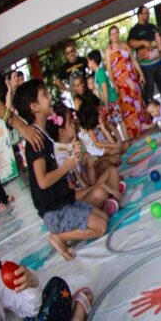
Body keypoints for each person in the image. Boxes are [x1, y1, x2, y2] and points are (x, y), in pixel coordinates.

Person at [12, 80, 109, 260]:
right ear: (34, 107)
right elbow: (42, 181)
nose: (50, 97)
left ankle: (66, 232)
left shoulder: (43, 136)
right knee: (100, 228)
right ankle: (58, 236)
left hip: (64, 201)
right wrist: (67, 166)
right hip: (55, 210)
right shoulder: (36, 142)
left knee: (103, 218)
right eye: (45, 95)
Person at [46, 105, 120, 217]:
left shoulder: (72, 147)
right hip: (74, 203)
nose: (75, 124)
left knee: (112, 171)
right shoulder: (60, 157)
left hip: (86, 192)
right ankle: (106, 203)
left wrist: (88, 162)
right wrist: (101, 187)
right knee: (100, 192)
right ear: (62, 132)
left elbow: (89, 181)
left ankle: (107, 203)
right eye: (71, 123)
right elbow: (71, 195)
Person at [105, 25, 149, 138]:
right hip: (121, 84)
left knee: (139, 104)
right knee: (128, 109)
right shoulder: (108, 50)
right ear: (110, 36)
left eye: (116, 33)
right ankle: (134, 134)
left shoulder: (124, 45)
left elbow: (133, 60)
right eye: (113, 34)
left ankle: (145, 129)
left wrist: (141, 73)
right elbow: (109, 70)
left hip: (133, 80)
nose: (115, 35)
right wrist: (114, 84)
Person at [128, 6, 161, 106]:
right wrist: (143, 42)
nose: (147, 15)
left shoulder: (152, 26)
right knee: (149, 92)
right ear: (139, 15)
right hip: (146, 67)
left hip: (158, 63)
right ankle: (153, 118)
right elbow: (130, 43)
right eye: (145, 13)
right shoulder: (134, 30)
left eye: (148, 13)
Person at [87, 50, 125, 141]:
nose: (88, 64)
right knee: (113, 123)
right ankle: (121, 140)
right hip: (108, 101)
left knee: (120, 121)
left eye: (88, 61)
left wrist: (106, 104)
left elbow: (104, 89)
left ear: (92, 61)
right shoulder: (97, 74)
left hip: (111, 100)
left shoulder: (100, 72)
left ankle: (126, 140)